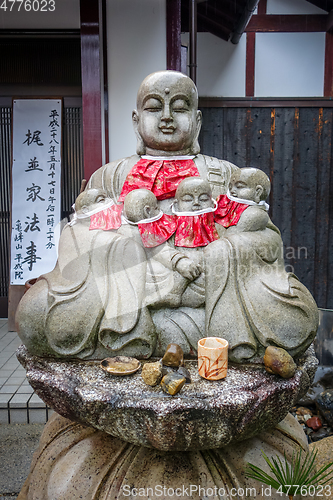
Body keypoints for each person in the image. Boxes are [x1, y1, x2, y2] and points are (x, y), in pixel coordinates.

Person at [15, 70, 318, 361]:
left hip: (207, 287)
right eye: (154, 108)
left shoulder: (226, 174)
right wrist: (133, 249)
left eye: (180, 108)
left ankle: (189, 329)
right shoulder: (109, 176)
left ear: (197, 121)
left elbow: (264, 238)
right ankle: (137, 327)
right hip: (130, 287)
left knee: (300, 319)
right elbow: (80, 233)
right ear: (136, 121)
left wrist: (220, 253)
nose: (167, 117)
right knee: (32, 317)